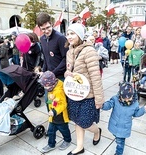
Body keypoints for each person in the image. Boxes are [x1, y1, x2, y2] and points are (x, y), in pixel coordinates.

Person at [65, 23, 104, 155]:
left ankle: (97, 131)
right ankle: (80, 147)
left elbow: (95, 76)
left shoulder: (89, 51)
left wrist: (99, 98)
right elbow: (69, 70)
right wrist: (67, 74)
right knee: (76, 120)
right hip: (75, 93)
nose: (69, 36)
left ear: (80, 35)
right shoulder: (69, 51)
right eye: (68, 33)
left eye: (72, 33)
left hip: (88, 95)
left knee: (86, 123)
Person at [102, 82, 146, 155]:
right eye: (124, 98)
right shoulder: (115, 99)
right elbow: (108, 105)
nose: (127, 100)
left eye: (129, 98)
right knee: (116, 136)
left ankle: (118, 153)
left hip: (124, 128)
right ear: (120, 95)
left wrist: (143, 110)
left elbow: (136, 113)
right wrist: (102, 105)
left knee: (120, 143)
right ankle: (118, 139)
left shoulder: (135, 104)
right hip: (115, 125)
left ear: (132, 95)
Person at [36, 12, 68, 110]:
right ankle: (52, 122)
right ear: (39, 28)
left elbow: (66, 59)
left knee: (58, 104)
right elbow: (45, 58)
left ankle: (61, 125)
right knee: (48, 102)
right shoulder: (42, 39)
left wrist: (53, 73)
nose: (46, 31)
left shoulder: (60, 38)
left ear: (52, 24)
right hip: (48, 77)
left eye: (48, 27)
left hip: (60, 77)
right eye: (43, 29)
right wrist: (44, 71)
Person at [39, 71, 71, 153]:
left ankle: (67, 140)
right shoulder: (52, 88)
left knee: (64, 130)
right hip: (53, 116)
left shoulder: (59, 91)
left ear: (50, 84)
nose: (44, 88)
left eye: (44, 86)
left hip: (60, 117)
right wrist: (50, 103)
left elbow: (63, 104)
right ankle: (51, 144)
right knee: (50, 131)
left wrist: (54, 111)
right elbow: (54, 101)